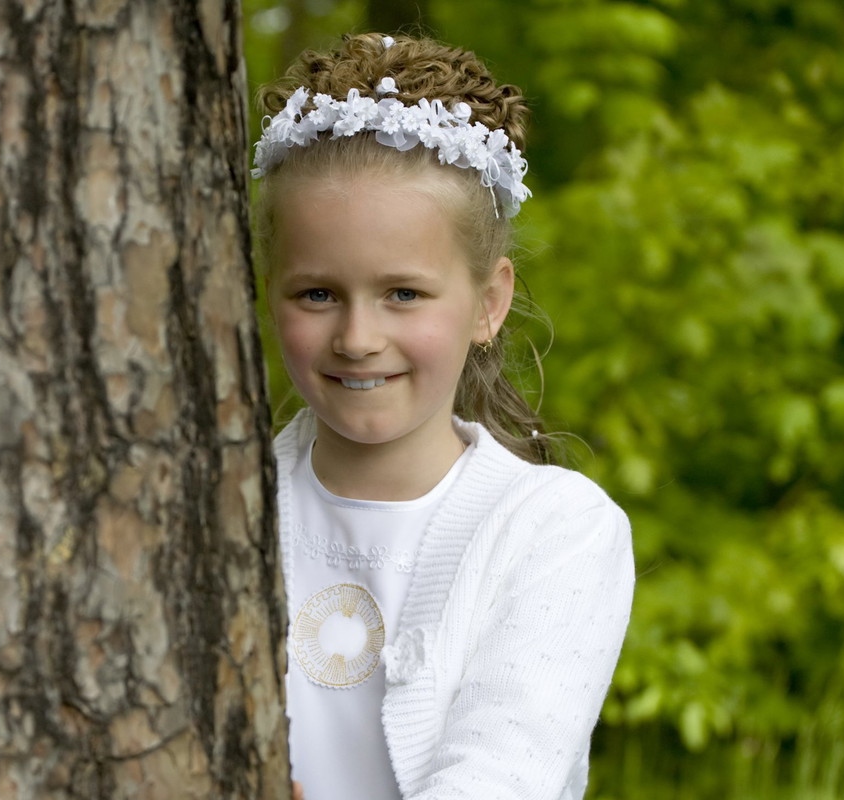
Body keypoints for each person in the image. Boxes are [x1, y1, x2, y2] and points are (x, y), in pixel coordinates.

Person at [251, 32, 635, 800]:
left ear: (488, 303)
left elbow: (502, 776)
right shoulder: (226, 501)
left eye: (404, 294)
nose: (358, 339)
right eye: (318, 294)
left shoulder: (555, 531)